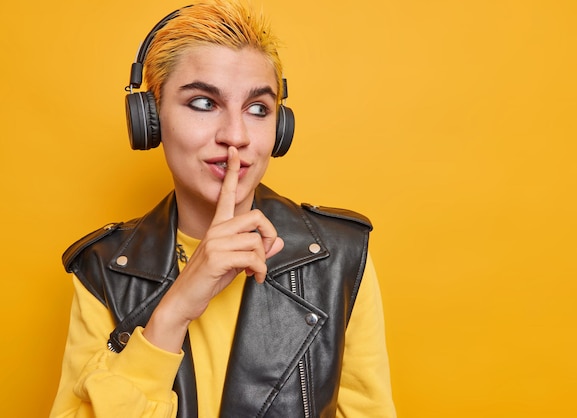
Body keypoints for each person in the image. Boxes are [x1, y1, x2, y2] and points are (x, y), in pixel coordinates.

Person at [50, 1, 395, 417]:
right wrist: (172, 313)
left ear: (279, 129)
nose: (235, 136)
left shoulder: (341, 256)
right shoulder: (102, 269)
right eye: (203, 103)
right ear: (150, 119)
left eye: (257, 109)